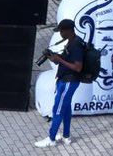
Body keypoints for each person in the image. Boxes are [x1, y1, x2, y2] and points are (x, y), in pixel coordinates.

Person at [35, 19, 89, 149]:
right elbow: (68, 60)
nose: (60, 34)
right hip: (65, 80)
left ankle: (51, 138)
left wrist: (59, 59)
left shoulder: (76, 46)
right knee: (66, 108)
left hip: (69, 81)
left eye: (61, 31)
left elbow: (77, 67)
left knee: (58, 109)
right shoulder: (72, 42)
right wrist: (56, 58)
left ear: (68, 31)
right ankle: (66, 136)